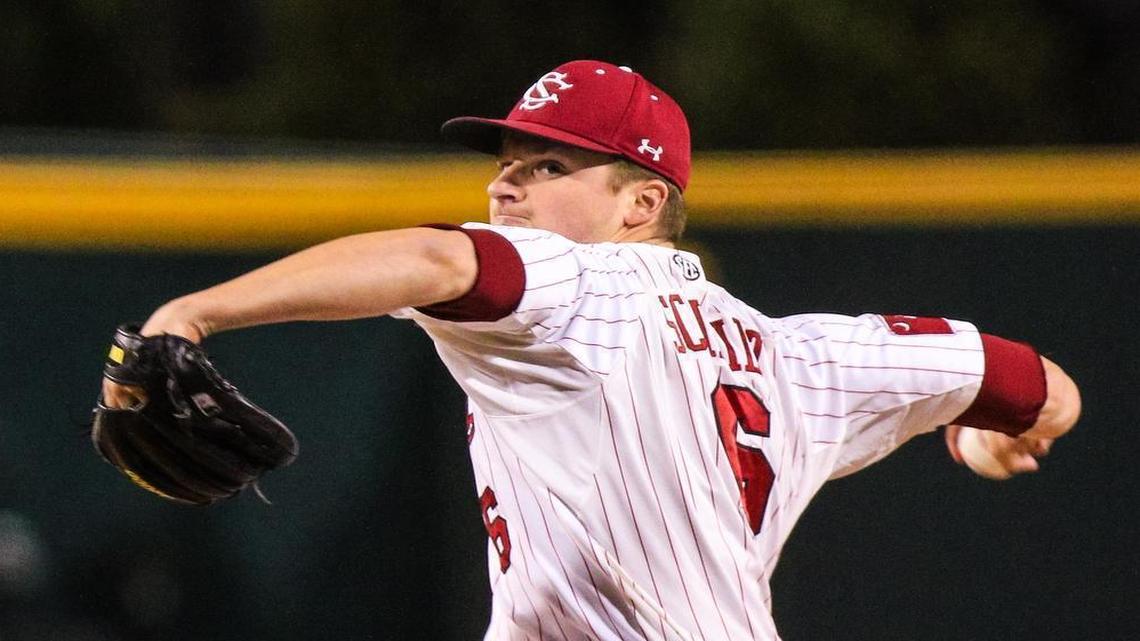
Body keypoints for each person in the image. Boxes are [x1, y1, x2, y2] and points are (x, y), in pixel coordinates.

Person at [103, 60, 1081, 640]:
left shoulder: (581, 286)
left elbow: (431, 259)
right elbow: (1039, 384)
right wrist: (995, 429)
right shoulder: (798, 356)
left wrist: (193, 312)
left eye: (548, 165)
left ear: (641, 203)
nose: (506, 188)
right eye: (505, 165)